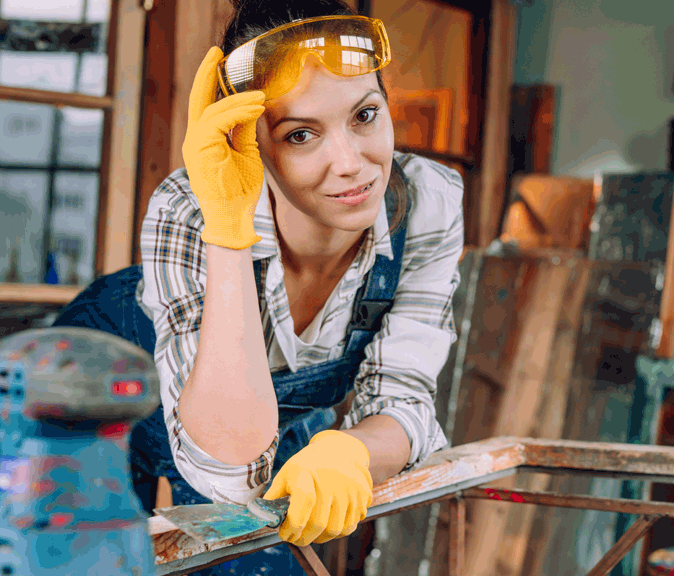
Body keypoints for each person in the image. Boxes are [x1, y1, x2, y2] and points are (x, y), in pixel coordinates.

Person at [51, 0, 464, 573]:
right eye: (300, 134)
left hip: (255, 411)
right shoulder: (192, 206)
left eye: (365, 115)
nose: (350, 163)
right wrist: (228, 227)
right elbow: (224, 465)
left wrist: (355, 449)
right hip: (103, 372)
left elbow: (403, 397)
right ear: (255, 144)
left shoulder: (428, 202)